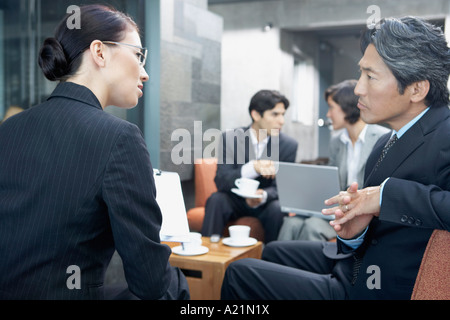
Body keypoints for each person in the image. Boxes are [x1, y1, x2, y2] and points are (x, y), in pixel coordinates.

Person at [221, 16, 450, 300]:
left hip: (379, 285)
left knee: (239, 273)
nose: (357, 89)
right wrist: (353, 233)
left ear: (417, 88)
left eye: (371, 76)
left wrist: (383, 197)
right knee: (272, 250)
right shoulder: (384, 143)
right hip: (358, 262)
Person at [0, 5, 189, 300]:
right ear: (99, 52)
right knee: (173, 285)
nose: (145, 73)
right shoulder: (120, 138)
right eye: (139, 56)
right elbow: (150, 282)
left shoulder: (10, 129)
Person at [277, 80, 389, 241]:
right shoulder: (337, 141)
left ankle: (303, 266)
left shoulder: (383, 138)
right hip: (338, 206)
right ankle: (275, 266)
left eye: (331, 108)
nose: (328, 114)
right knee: (291, 222)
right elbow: (331, 183)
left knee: (312, 226)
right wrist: (304, 203)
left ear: (347, 107)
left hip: (361, 213)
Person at [201, 90, 298, 243]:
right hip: (236, 200)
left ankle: (271, 260)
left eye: (283, 114)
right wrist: (253, 167)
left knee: (278, 208)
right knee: (216, 199)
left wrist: (263, 195)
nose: (281, 121)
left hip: (266, 204)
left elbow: (283, 188)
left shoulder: (288, 145)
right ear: (256, 115)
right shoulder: (231, 138)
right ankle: (207, 254)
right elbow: (221, 181)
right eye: (275, 114)